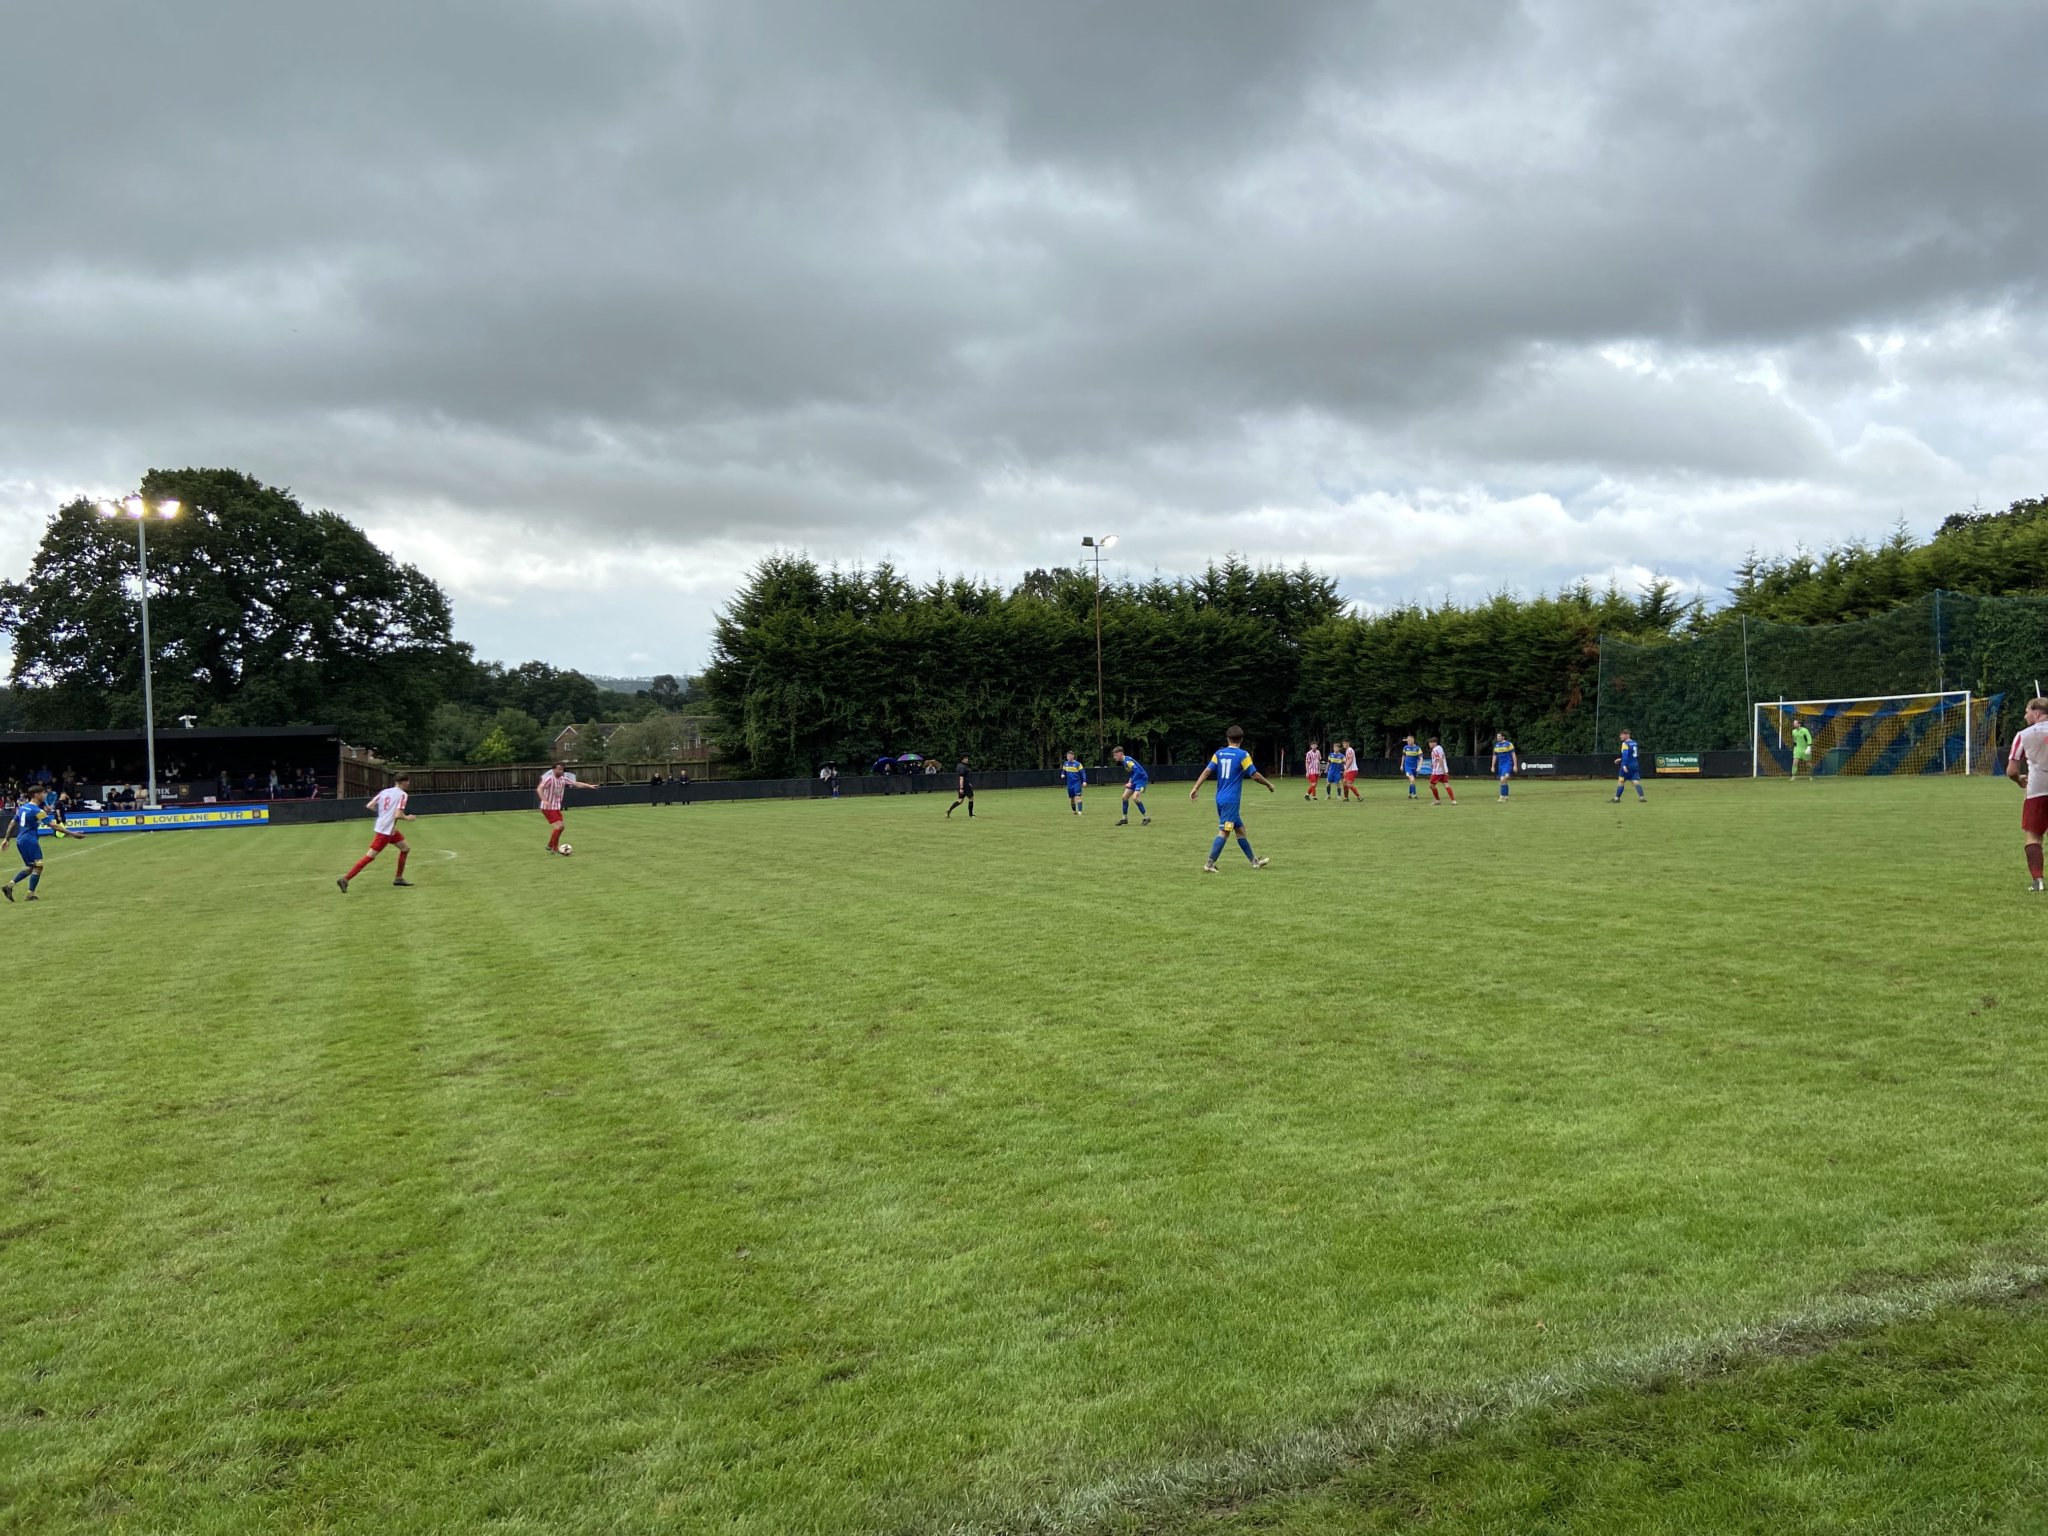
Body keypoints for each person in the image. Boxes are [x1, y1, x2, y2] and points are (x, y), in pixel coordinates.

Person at [1188, 724, 1275, 873]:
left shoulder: (1219, 754)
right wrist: (1268, 784)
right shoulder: (1243, 755)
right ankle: (1209, 864)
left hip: (1220, 799)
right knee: (1225, 831)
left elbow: (1208, 771)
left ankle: (1254, 861)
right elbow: (1254, 774)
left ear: (1228, 738)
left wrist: (1196, 787)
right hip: (1231, 801)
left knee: (1240, 830)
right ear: (1241, 739)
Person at [337, 775, 415, 891]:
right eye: (407, 782)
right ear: (403, 782)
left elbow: (370, 805)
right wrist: (409, 818)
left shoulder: (384, 792)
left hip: (386, 828)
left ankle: (399, 878)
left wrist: (384, 814)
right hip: (386, 831)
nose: (408, 784)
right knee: (370, 856)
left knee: (405, 848)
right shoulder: (403, 795)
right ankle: (345, 879)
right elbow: (398, 814)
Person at [3, 786, 81, 903]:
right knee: (38, 866)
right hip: (30, 840)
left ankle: (10, 886)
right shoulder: (37, 811)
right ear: (35, 795)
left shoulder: (23, 808)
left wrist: (7, 839)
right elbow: (53, 825)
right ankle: (30, 894)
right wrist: (72, 833)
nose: (44, 795)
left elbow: (12, 823)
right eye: (42, 793)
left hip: (20, 840)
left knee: (31, 867)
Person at [2007, 697, 2048, 893]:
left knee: (2033, 836)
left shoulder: (2023, 735)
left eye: (2027, 711)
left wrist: (2019, 780)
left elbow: (2011, 770)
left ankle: (2038, 881)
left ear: (2037, 713)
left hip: (2037, 790)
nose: (2025, 715)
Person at [537, 761, 595, 854]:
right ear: (554, 769)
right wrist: (544, 800)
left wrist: (589, 786)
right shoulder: (549, 779)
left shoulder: (563, 779)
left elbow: (576, 783)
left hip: (556, 807)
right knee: (559, 827)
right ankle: (554, 848)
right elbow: (539, 789)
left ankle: (550, 845)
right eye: (559, 769)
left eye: (562, 769)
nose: (561, 771)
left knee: (562, 827)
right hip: (547, 807)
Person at [1111, 746, 1150, 825]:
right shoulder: (1123, 761)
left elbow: (1138, 772)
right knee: (1124, 797)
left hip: (1142, 778)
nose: (1114, 757)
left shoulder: (1128, 761)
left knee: (1135, 797)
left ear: (1120, 754)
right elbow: (1133, 773)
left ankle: (1146, 818)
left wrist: (1131, 782)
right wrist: (1130, 782)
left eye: (1115, 755)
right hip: (1135, 779)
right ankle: (1124, 819)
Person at [1613, 729, 1647, 803]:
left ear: (1626, 735)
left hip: (1627, 766)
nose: (1620, 736)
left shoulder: (1625, 744)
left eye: (1622, 735)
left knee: (1621, 781)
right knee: (1635, 781)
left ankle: (1616, 798)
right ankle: (1642, 797)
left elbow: (1625, 755)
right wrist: (1621, 759)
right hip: (1635, 765)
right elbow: (1634, 755)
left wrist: (1624, 764)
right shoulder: (1634, 743)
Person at [945, 754, 975, 819]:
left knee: (960, 800)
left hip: (964, 785)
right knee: (971, 798)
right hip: (965, 786)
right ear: (962, 759)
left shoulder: (960, 765)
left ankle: (949, 810)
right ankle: (971, 814)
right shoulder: (963, 767)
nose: (967, 759)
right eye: (966, 758)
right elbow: (961, 778)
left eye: (967, 758)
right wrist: (962, 788)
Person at [1491, 731, 1518, 801]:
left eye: (1499, 736)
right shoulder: (1496, 745)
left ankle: (1501, 796)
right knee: (1504, 781)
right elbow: (1494, 756)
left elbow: (1513, 755)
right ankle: (1506, 797)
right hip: (1500, 766)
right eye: (1497, 736)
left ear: (1503, 737)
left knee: (1502, 780)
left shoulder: (1508, 744)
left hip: (1508, 764)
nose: (1498, 738)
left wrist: (1515, 765)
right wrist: (1492, 766)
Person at [1427, 737, 1456, 804]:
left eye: (1431, 743)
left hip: (1438, 771)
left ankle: (1437, 800)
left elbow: (1440, 759)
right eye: (1429, 743)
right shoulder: (1440, 748)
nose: (1430, 744)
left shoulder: (1435, 749)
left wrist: (1442, 770)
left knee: (1431, 786)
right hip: (1443, 769)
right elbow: (1439, 759)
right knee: (1446, 784)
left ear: (1435, 743)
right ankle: (1453, 800)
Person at [1061, 751, 1086, 815]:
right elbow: (1063, 771)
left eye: (1069, 756)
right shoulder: (1065, 763)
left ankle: (1080, 811)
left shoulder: (1078, 764)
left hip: (1077, 783)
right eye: (1067, 756)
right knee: (1072, 799)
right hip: (1069, 784)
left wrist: (1084, 781)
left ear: (1073, 756)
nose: (1068, 757)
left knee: (1078, 796)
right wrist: (1062, 774)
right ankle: (1074, 811)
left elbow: (1083, 773)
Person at [1400, 734, 1425, 801]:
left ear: (1413, 740)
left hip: (1414, 767)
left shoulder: (1417, 748)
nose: (1408, 742)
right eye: (1407, 741)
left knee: (1412, 781)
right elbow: (1403, 756)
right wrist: (1401, 765)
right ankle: (1414, 794)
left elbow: (1421, 758)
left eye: (1409, 740)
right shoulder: (1405, 748)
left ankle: (1410, 794)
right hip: (1407, 767)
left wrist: (1419, 766)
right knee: (1412, 779)